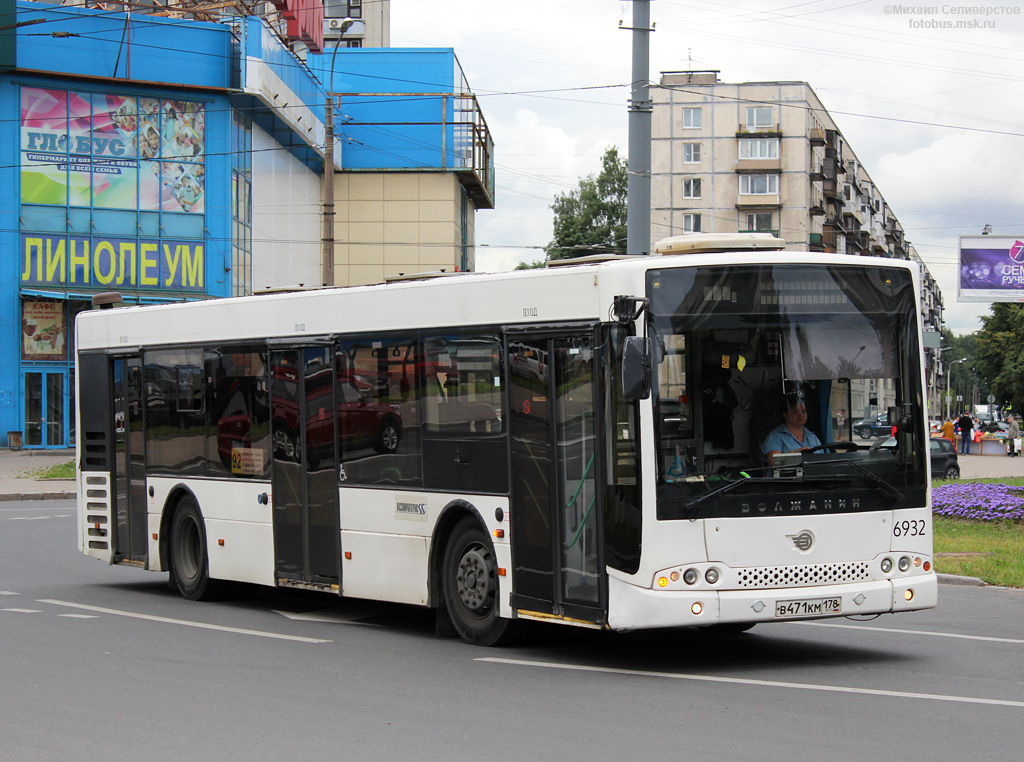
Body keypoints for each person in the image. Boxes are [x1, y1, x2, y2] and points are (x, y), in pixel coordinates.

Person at [763, 394, 822, 466]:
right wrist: (795, 454)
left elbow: (824, 462)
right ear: (785, 414)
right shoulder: (775, 437)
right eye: (795, 411)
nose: (800, 414)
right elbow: (773, 462)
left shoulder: (813, 437)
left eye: (803, 411)